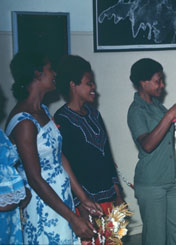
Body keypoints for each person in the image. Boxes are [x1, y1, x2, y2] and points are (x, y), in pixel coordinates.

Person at [5, 52, 103, 244]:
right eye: (50, 69)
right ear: (37, 74)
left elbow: (60, 157)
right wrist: (72, 217)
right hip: (43, 205)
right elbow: (34, 178)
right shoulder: (24, 121)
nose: (55, 73)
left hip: (61, 199)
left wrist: (83, 198)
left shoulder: (43, 110)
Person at [54, 55, 124, 243]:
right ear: (72, 85)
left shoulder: (94, 114)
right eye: (88, 83)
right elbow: (65, 165)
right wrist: (80, 205)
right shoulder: (62, 119)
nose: (94, 88)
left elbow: (106, 154)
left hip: (108, 197)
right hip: (86, 204)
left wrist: (117, 192)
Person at [127, 58, 176, 245]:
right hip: (151, 183)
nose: (162, 85)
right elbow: (147, 144)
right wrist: (171, 114)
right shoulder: (136, 111)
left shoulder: (158, 106)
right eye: (158, 81)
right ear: (143, 82)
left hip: (171, 178)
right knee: (156, 238)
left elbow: (170, 135)